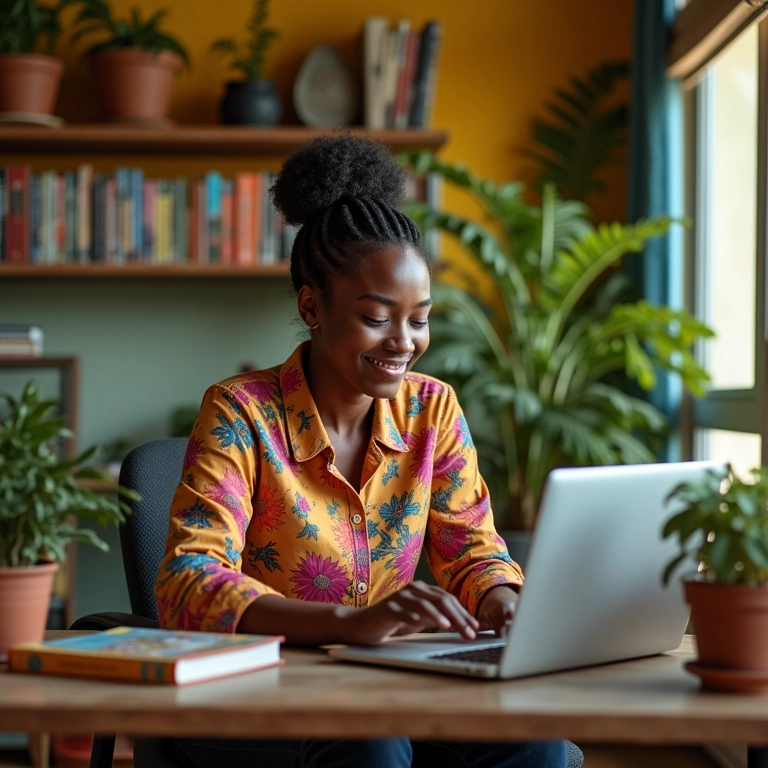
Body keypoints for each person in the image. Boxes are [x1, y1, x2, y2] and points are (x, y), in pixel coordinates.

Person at [156, 132, 569, 768]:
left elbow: (472, 552)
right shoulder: (241, 412)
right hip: (264, 687)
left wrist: (502, 602)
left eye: (419, 318)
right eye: (377, 318)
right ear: (311, 305)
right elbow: (188, 582)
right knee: (369, 742)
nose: (404, 342)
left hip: (391, 683)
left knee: (534, 740)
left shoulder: (433, 410)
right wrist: (350, 626)